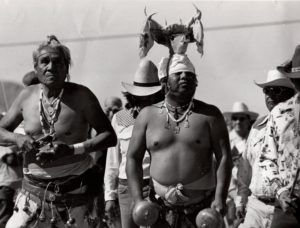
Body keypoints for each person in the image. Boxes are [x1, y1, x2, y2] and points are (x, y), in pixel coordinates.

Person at [0, 35, 117, 228]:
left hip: (75, 196)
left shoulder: (82, 96)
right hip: (32, 196)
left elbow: (109, 136)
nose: (51, 66)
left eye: (57, 62)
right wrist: (17, 138)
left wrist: (71, 150)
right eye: (44, 61)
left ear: (66, 67)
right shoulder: (26, 97)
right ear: (36, 68)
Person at [126, 53, 233, 227]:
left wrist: (220, 198)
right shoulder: (147, 116)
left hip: (202, 209)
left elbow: (224, 158)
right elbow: (132, 158)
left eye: (190, 75)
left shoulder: (210, 115)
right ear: (164, 82)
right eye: (178, 74)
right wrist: (138, 198)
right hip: (158, 208)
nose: (185, 77)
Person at [104, 59, 164, 228]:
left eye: (151, 96)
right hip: (126, 188)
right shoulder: (120, 118)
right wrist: (110, 196)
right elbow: (113, 161)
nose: (146, 100)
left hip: (157, 187)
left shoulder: (165, 118)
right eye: (141, 96)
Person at [236, 69, 295, 228]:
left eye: (276, 90)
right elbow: (245, 166)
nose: (269, 95)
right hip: (255, 206)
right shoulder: (257, 127)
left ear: (291, 94)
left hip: (287, 211)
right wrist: (241, 199)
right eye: (266, 90)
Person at [259, 45, 300, 228]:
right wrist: (281, 192)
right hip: (289, 204)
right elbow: (267, 158)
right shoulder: (279, 113)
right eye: (297, 79)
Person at [223, 102, 258, 226]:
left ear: (249, 121)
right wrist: (233, 194)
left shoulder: (255, 139)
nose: (238, 121)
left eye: (242, 118)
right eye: (235, 118)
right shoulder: (225, 141)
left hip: (253, 195)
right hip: (230, 194)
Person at [0, 113, 23, 227]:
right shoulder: (3, 144)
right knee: (5, 218)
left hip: (12, 186)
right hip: (6, 186)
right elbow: (10, 159)